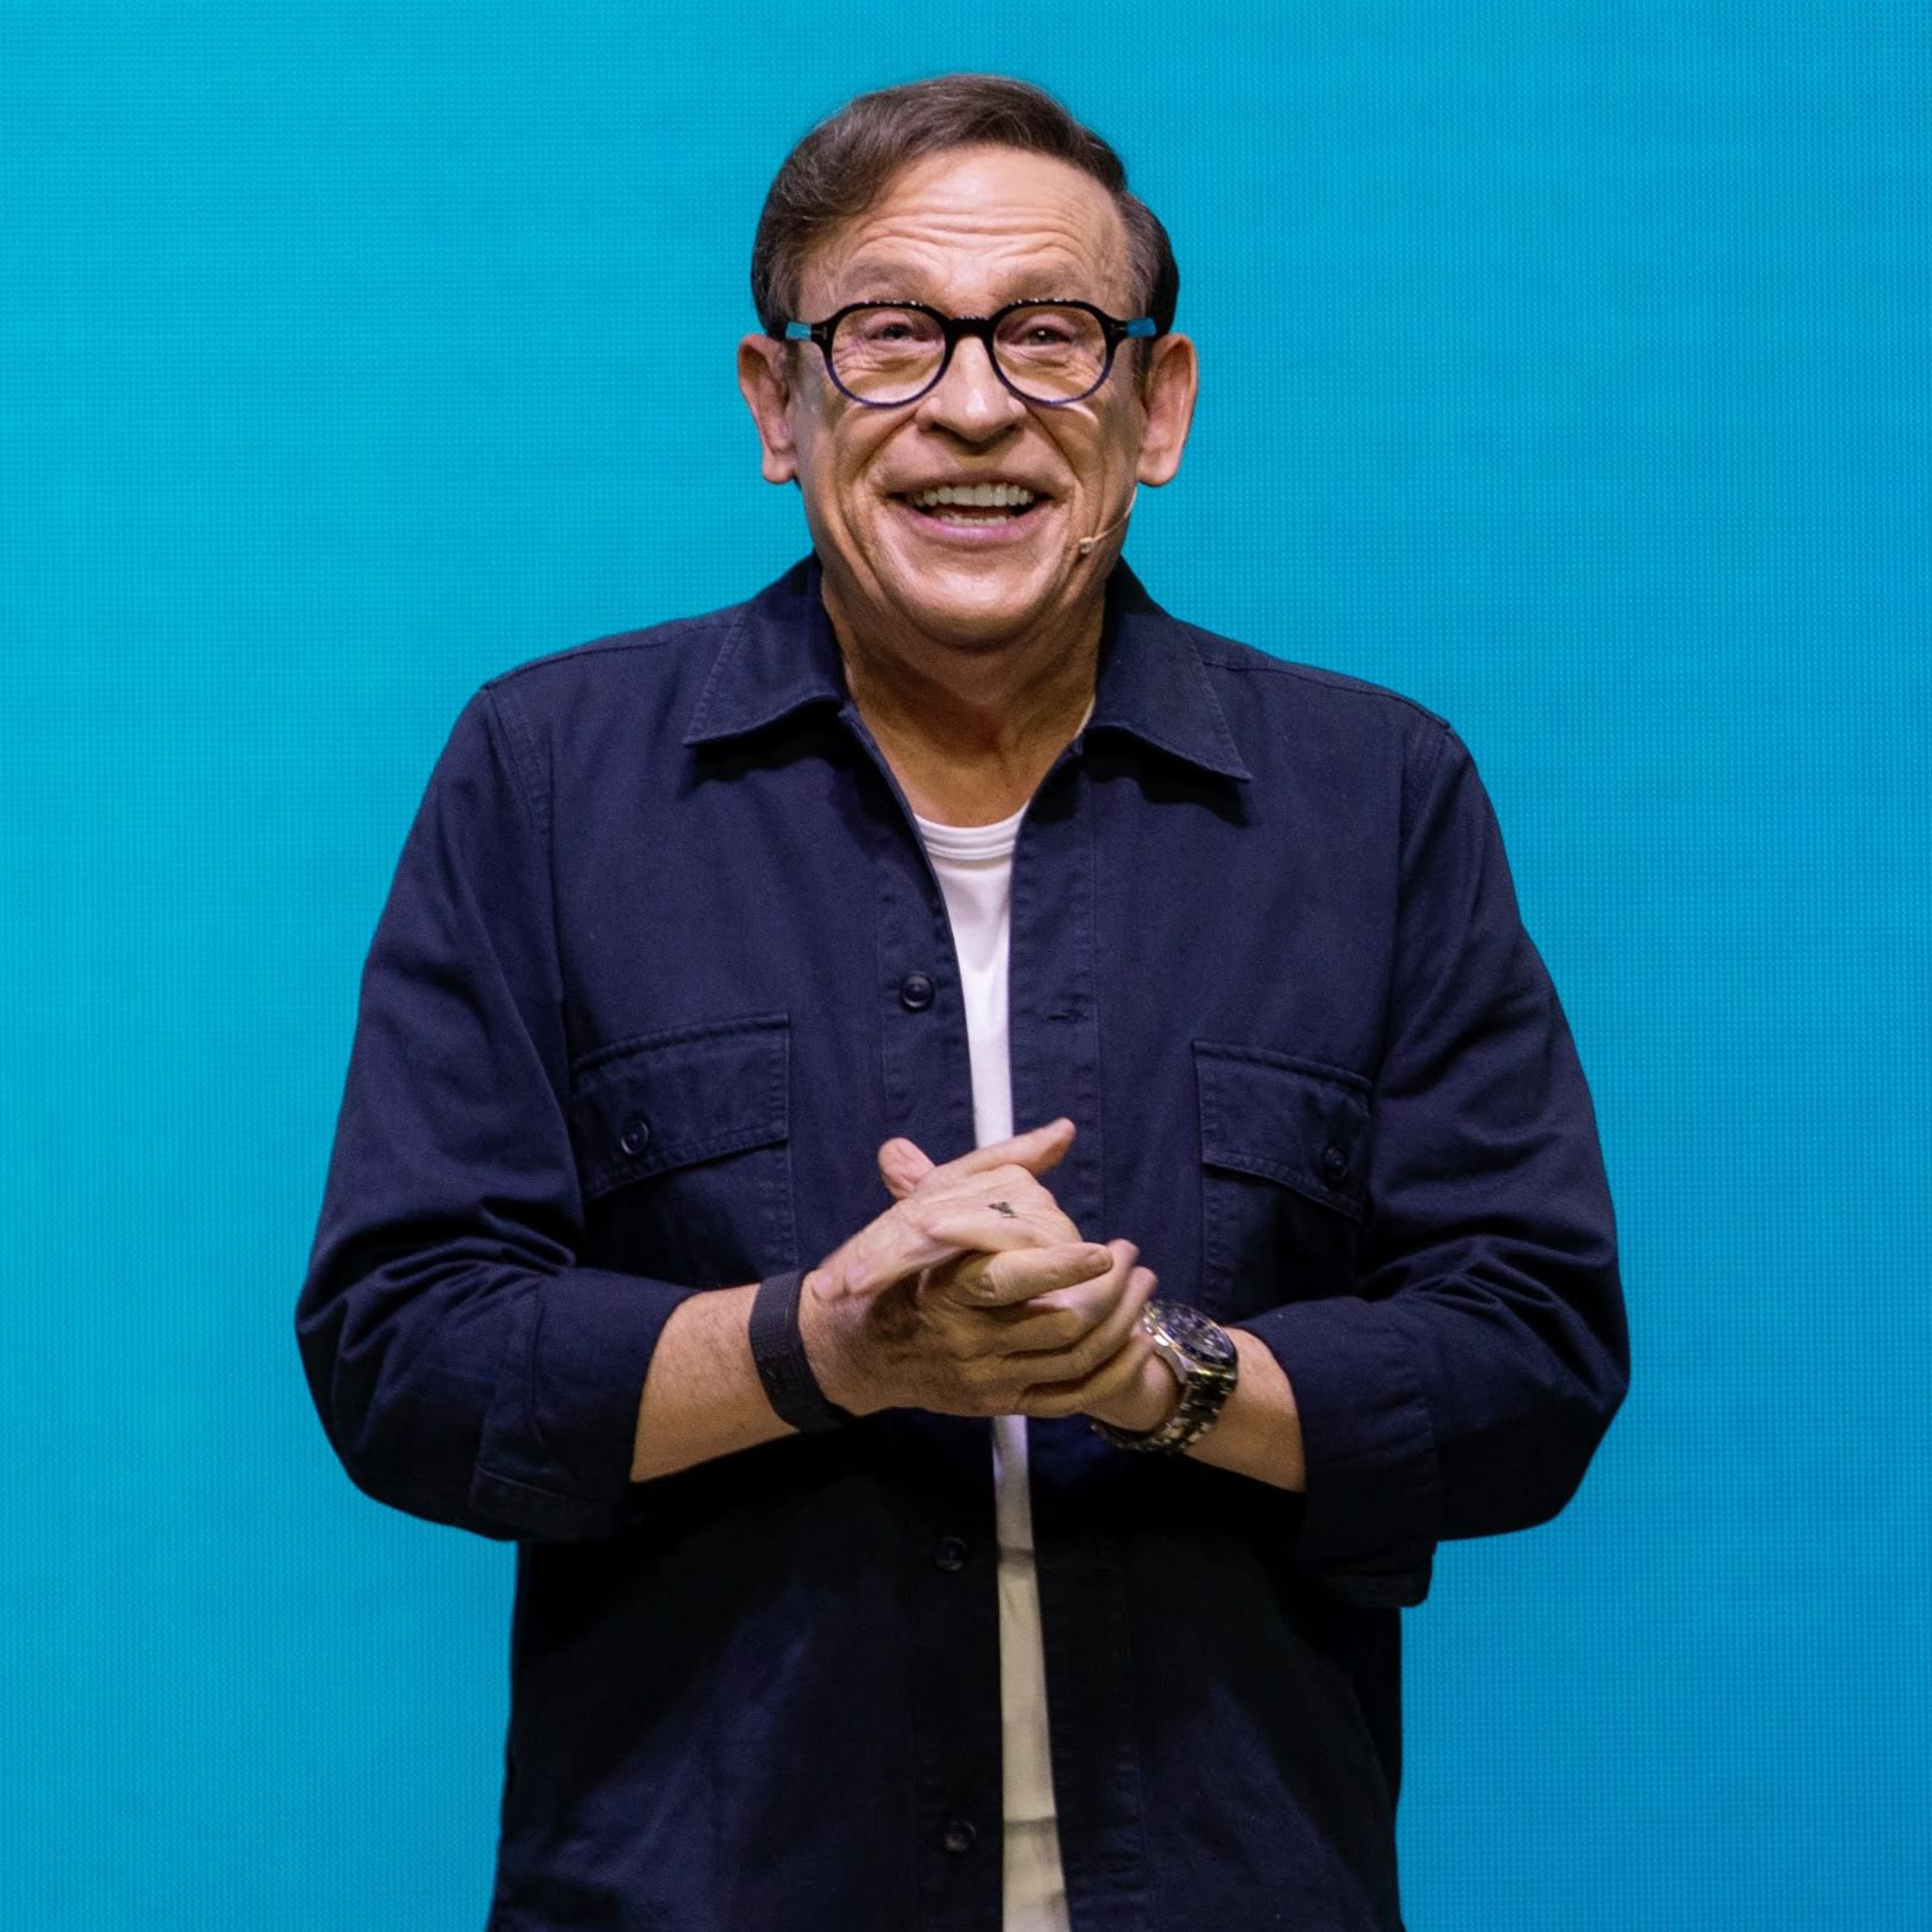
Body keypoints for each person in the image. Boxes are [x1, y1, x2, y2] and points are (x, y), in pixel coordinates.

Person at [297, 73, 1628, 1932]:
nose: (977, 406)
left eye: (1052, 335)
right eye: (892, 336)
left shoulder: (1376, 800)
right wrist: (817, 1348)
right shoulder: (547, 780)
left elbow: (1531, 1351)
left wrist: (1158, 1379)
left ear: (1159, 406)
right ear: (779, 407)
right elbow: (405, 1348)